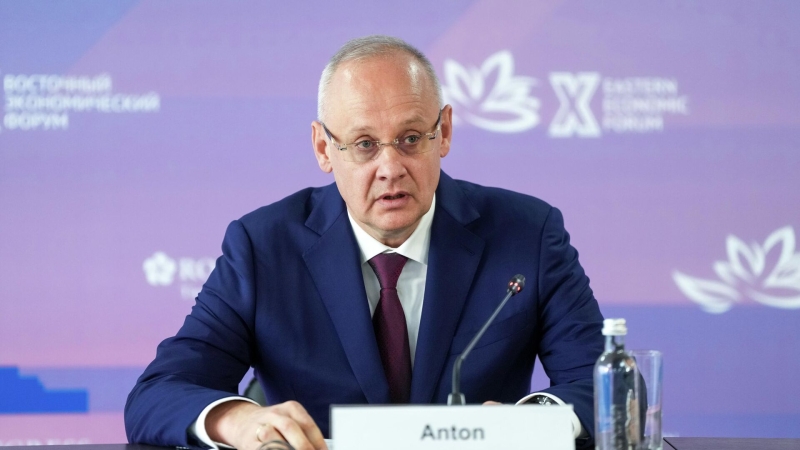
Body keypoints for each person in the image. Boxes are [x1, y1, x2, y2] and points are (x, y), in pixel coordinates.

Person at [125, 35, 604, 450]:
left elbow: (605, 385)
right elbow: (159, 392)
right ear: (323, 148)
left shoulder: (527, 234)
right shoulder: (263, 248)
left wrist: (531, 424)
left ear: (444, 133)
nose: (390, 168)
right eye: (365, 144)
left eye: (411, 138)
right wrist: (239, 421)